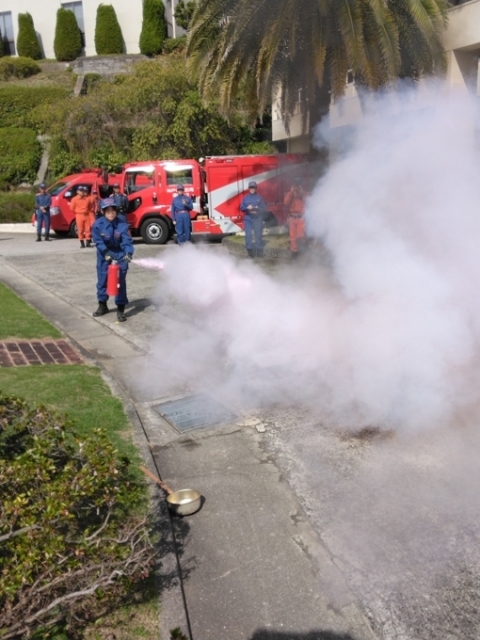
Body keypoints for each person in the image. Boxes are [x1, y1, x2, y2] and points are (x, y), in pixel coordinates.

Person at [91, 197, 134, 322]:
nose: (111, 213)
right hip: (104, 254)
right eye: (107, 211)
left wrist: (128, 253)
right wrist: (106, 252)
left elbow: (127, 241)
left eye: (113, 210)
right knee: (103, 279)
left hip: (120, 254)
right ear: (103, 212)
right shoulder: (98, 225)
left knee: (120, 281)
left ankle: (120, 308)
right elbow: (98, 241)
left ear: (116, 211)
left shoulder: (122, 224)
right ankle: (102, 305)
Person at [240, 181, 266, 258]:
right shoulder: (245, 198)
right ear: (248, 188)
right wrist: (247, 208)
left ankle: (259, 253)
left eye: (253, 187)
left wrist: (258, 209)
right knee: (248, 235)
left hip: (257, 218)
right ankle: (250, 253)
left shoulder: (259, 198)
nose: (252, 189)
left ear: (256, 188)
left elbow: (263, 208)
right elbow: (242, 208)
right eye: (251, 188)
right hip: (248, 219)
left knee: (258, 235)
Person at [284, 178, 307, 255]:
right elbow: (286, 202)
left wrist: (301, 193)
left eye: (298, 186)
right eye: (295, 187)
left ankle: (303, 251)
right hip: (292, 218)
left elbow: (308, 199)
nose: (296, 189)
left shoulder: (303, 194)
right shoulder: (290, 194)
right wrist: (291, 193)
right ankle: (295, 253)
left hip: (301, 218)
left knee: (301, 235)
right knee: (293, 238)